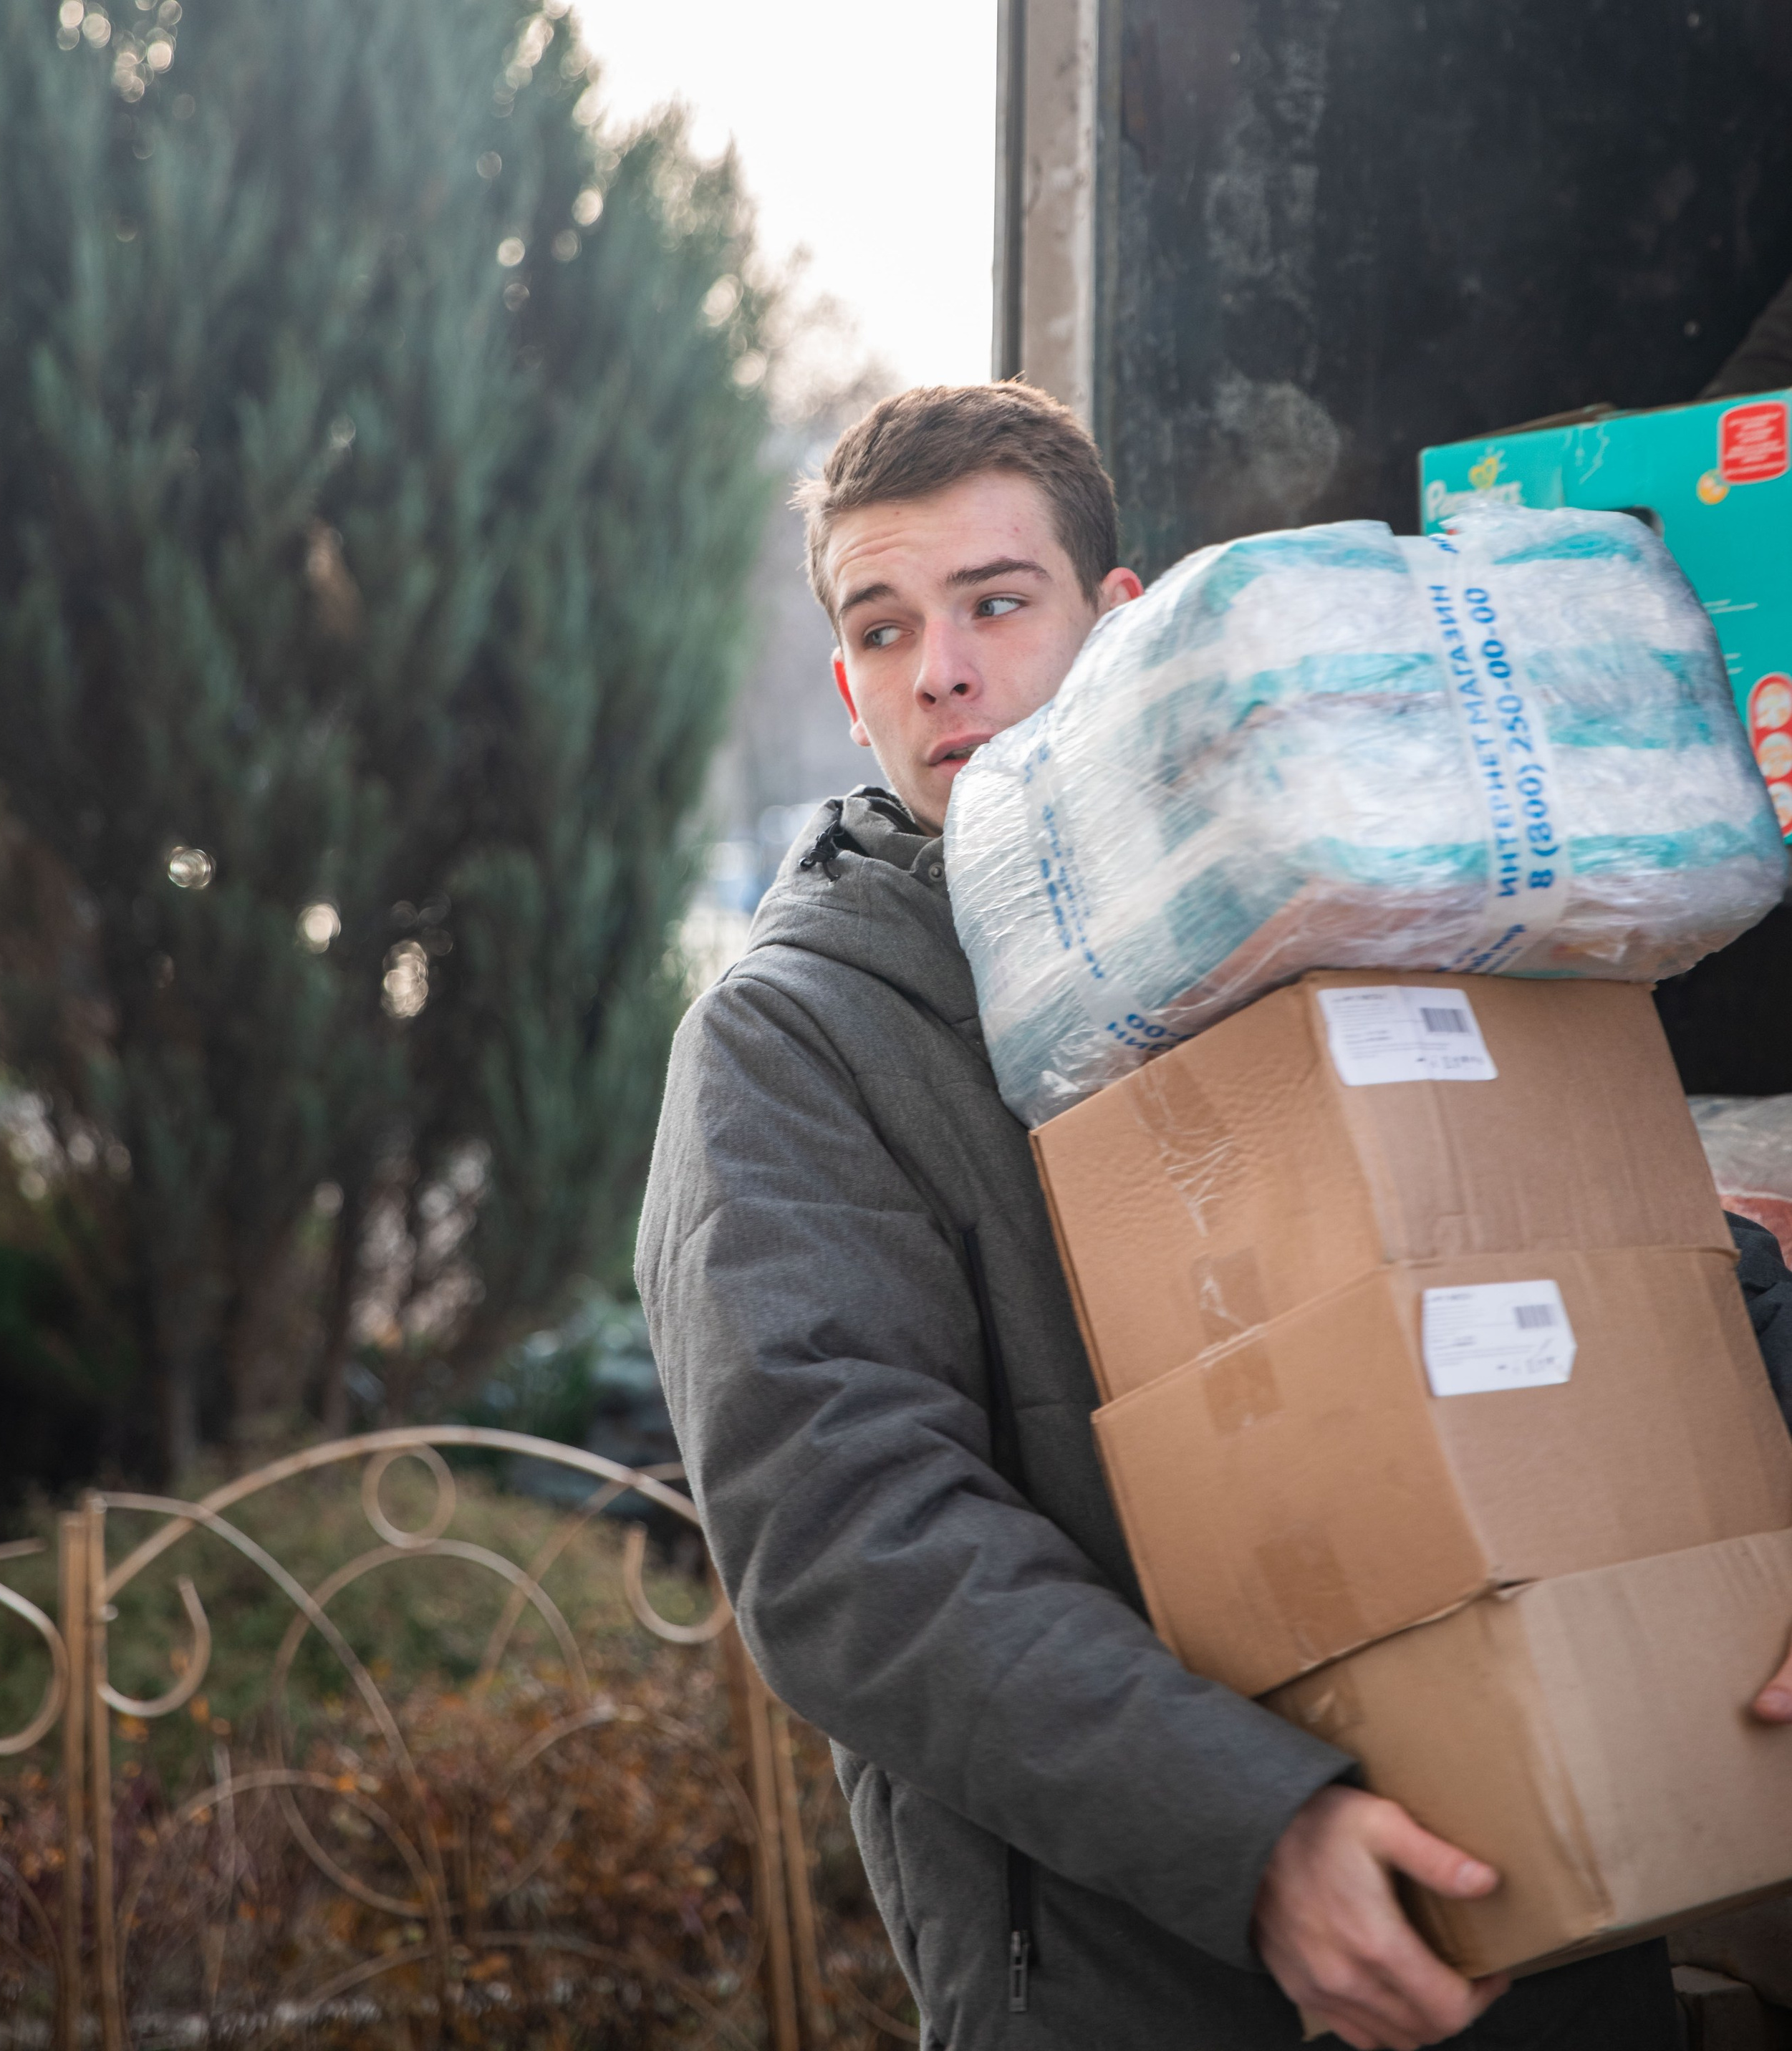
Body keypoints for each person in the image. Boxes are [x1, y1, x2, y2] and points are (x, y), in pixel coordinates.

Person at [637, 381, 1792, 2051]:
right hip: (1142, 1985)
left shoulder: (1319, 902)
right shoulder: (795, 1036)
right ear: (844, 687)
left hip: (1554, 1927)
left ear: (1113, 622)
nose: (938, 670)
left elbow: (1648, 1258)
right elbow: (842, 1536)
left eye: (992, 602)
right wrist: (1250, 1829)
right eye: (881, 631)